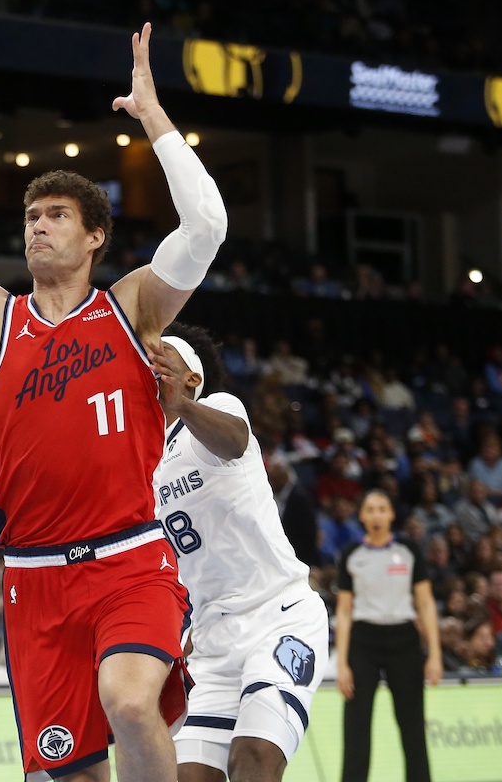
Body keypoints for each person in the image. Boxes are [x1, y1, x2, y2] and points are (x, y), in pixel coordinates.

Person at [0, 2, 227, 779]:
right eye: (31, 215)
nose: (37, 226)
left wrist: (155, 119)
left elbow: (206, 227)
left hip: (131, 559)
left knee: (130, 702)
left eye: (57, 215)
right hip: (34, 578)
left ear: (95, 236)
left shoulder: (132, 307)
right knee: (71, 772)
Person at [150, 323, 328, 782]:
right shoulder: (139, 458)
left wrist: (181, 405)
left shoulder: (218, 409)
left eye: (163, 356)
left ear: (192, 377)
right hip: (212, 639)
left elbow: (233, 441)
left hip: (279, 615)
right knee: (189, 776)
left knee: (252, 758)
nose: (151, 362)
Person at [336, 490, 442, 782]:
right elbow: (344, 611)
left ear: (392, 514)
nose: (377, 515)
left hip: (404, 639)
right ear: (361, 516)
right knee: (356, 727)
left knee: (413, 727)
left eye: (382, 509)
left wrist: (435, 653)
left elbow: (425, 603)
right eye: (370, 509)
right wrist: (342, 663)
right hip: (363, 641)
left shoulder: (409, 550)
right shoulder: (351, 553)